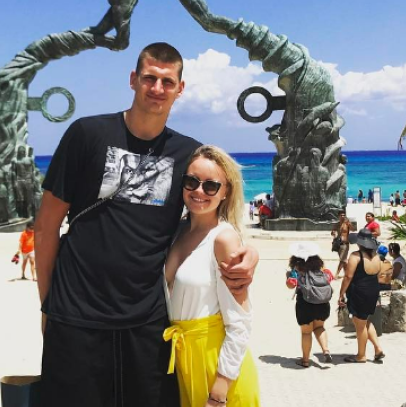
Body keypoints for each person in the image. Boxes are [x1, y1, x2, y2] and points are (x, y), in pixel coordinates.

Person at [35, 42, 259, 407]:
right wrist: (47, 305)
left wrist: (248, 251)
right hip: (76, 314)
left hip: (148, 325)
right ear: (133, 79)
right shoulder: (86, 134)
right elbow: (46, 227)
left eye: (167, 82)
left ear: (180, 89)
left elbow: (206, 217)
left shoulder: (187, 154)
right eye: (149, 78)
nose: (157, 88)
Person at [163, 145, 260, 407]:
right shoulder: (176, 232)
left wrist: (220, 388)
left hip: (217, 367)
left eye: (210, 186)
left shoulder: (224, 239)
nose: (199, 191)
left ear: (225, 191)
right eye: (191, 182)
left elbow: (240, 322)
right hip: (183, 362)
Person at [338, 228, 385, 363]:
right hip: (373, 290)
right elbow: (377, 274)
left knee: (360, 325)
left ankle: (361, 355)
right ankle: (378, 349)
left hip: (359, 293)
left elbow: (348, 276)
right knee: (365, 321)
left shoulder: (355, 256)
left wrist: (341, 294)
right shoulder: (377, 256)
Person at [285, 242, 333, 368]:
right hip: (322, 302)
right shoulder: (320, 265)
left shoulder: (297, 267)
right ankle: (325, 350)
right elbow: (329, 277)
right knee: (319, 327)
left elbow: (291, 285)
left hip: (305, 303)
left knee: (306, 333)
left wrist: (289, 278)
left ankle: (305, 360)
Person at [331, 210, 355, 278]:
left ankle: (337, 274)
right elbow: (332, 233)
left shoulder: (347, 224)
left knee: (342, 259)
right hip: (338, 243)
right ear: (338, 216)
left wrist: (349, 224)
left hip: (345, 244)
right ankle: (347, 273)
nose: (343, 216)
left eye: (344, 215)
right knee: (343, 260)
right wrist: (333, 233)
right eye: (341, 215)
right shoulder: (336, 224)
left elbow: (353, 229)